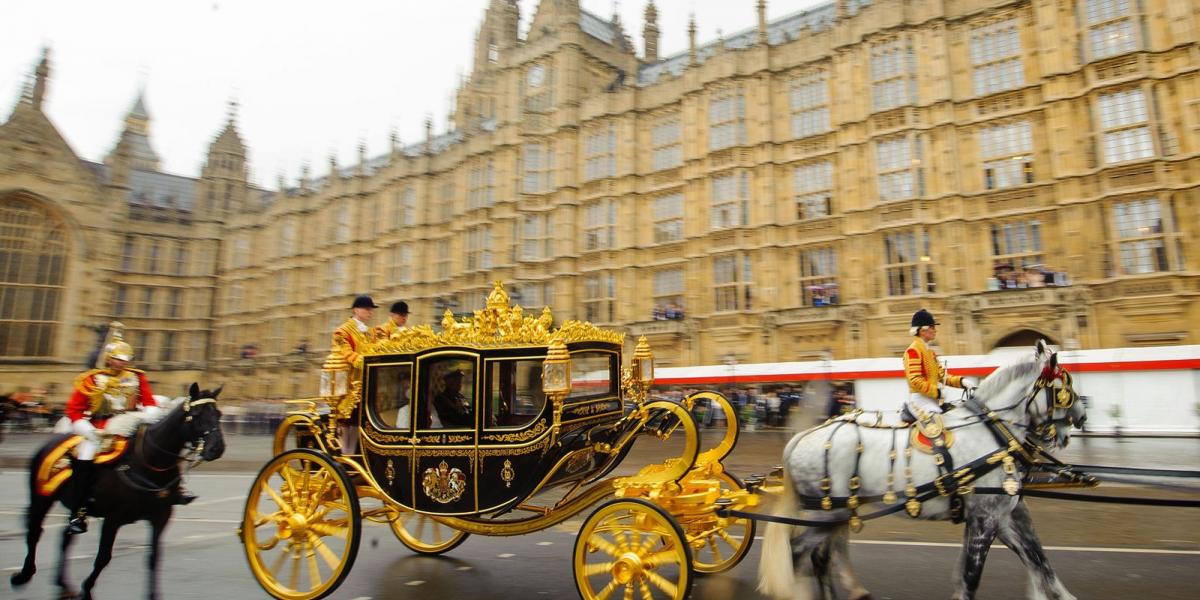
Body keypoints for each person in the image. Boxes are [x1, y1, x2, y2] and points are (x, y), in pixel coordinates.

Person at [63, 324, 165, 534]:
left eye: (125, 360)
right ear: (109, 358)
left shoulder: (136, 377)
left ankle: (171, 489)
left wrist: (149, 414)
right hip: (98, 428)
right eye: (118, 359)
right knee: (86, 454)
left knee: (158, 446)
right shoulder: (92, 379)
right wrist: (87, 429)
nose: (122, 364)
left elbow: (149, 402)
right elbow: (74, 410)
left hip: (129, 423)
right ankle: (78, 511)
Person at [331, 295, 379, 453]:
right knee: (347, 421)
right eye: (367, 309)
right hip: (349, 385)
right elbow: (344, 352)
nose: (370, 313)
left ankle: (352, 454)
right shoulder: (341, 332)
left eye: (371, 310)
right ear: (356, 310)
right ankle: (346, 453)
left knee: (358, 422)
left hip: (366, 383)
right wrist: (363, 362)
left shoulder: (370, 333)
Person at [903, 309, 969, 422]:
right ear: (923, 330)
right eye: (932, 327)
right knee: (938, 424)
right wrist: (937, 391)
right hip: (920, 402)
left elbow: (942, 376)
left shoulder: (930, 352)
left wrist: (961, 382)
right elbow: (914, 380)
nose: (935, 330)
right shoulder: (913, 351)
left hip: (933, 400)